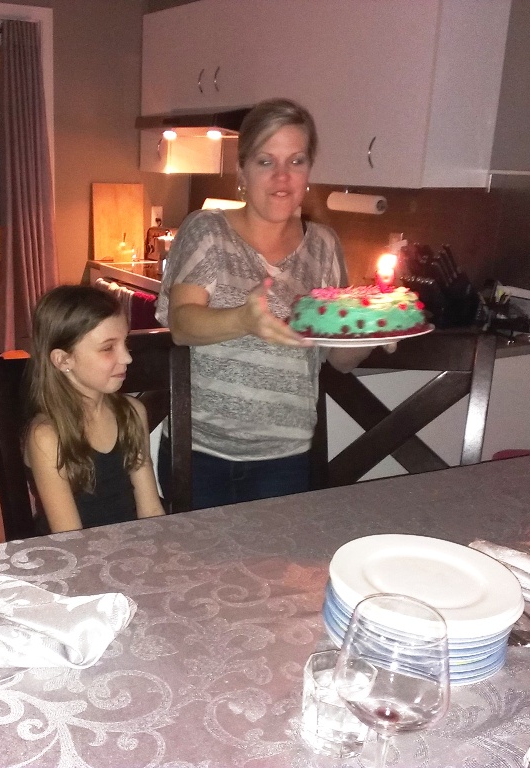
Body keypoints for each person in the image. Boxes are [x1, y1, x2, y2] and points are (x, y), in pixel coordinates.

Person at [156, 98, 380, 510]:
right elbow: (182, 324)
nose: (282, 176)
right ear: (242, 171)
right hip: (200, 453)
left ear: (308, 170)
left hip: (286, 459)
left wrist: (372, 332)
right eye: (265, 161)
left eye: (296, 161)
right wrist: (244, 319)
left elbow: (339, 358)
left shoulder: (324, 246)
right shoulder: (207, 231)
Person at [24, 285, 166, 533]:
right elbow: (69, 536)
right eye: (108, 348)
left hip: (130, 545)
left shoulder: (133, 413)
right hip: (75, 550)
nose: (127, 358)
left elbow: (151, 510)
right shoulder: (47, 437)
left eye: (125, 343)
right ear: (64, 360)